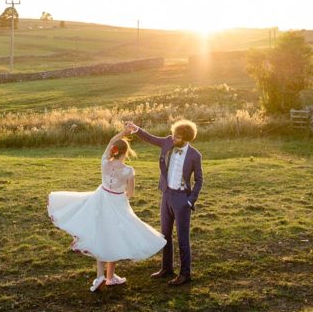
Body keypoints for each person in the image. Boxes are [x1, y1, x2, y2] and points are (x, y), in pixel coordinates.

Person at [47, 127, 166, 291]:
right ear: (126, 152)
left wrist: (122, 133)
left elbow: (111, 141)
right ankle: (109, 277)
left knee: (101, 236)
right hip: (117, 202)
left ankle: (100, 276)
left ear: (113, 150)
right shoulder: (128, 171)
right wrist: (121, 193)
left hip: (100, 199)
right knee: (113, 237)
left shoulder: (104, 161)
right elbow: (130, 193)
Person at [124, 119, 202, 286]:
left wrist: (190, 201)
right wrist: (135, 129)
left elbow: (199, 181)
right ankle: (167, 268)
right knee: (165, 235)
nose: (173, 138)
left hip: (182, 199)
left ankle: (185, 273)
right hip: (166, 194)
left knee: (182, 238)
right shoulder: (168, 141)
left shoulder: (195, 155)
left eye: (178, 137)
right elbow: (150, 138)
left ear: (186, 139)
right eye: (173, 134)